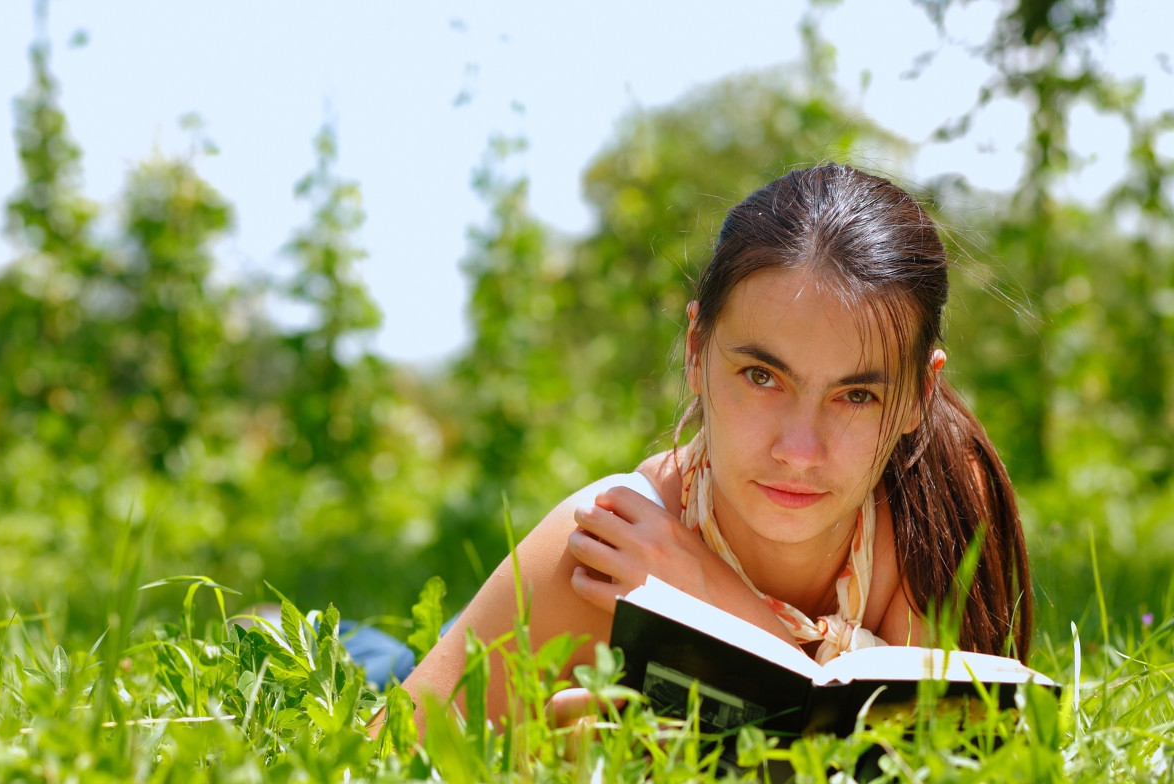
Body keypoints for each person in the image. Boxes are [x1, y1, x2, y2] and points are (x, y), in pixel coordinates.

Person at [398, 163, 1031, 736]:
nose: (799, 451)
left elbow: (941, 762)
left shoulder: (938, 503)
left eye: (857, 395)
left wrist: (712, 597)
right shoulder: (606, 548)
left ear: (922, 392)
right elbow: (385, 752)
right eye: (762, 377)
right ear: (697, 353)